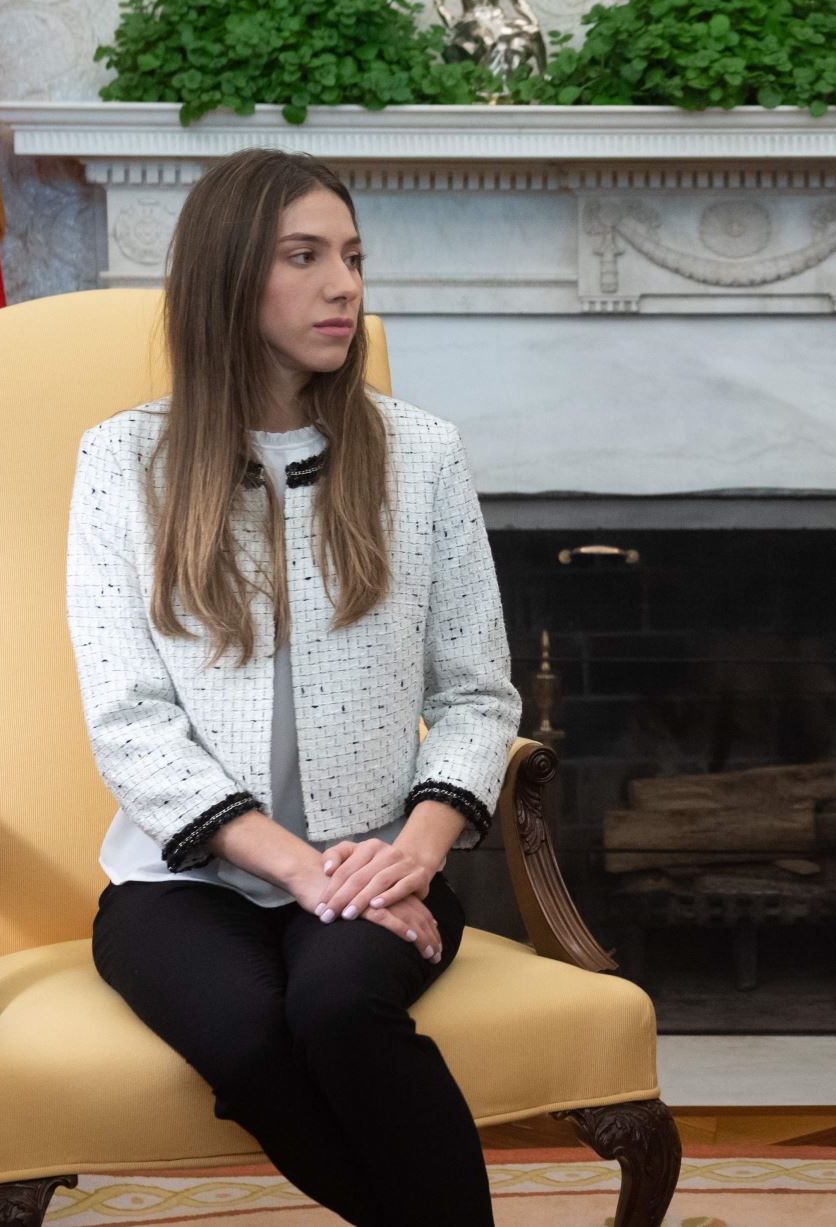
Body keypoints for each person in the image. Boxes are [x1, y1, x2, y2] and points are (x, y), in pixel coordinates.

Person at [68, 148, 521, 1226]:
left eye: (353, 258)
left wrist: (412, 856)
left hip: (378, 860)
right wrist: (302, 873)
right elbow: (129, 724)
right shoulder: (121, 464)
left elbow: (477, 696)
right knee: (242, 1037)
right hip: (183, 884)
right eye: (306, 258)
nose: (345, 287)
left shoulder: (421, 456)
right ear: (230, 278)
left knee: (339, 1010)